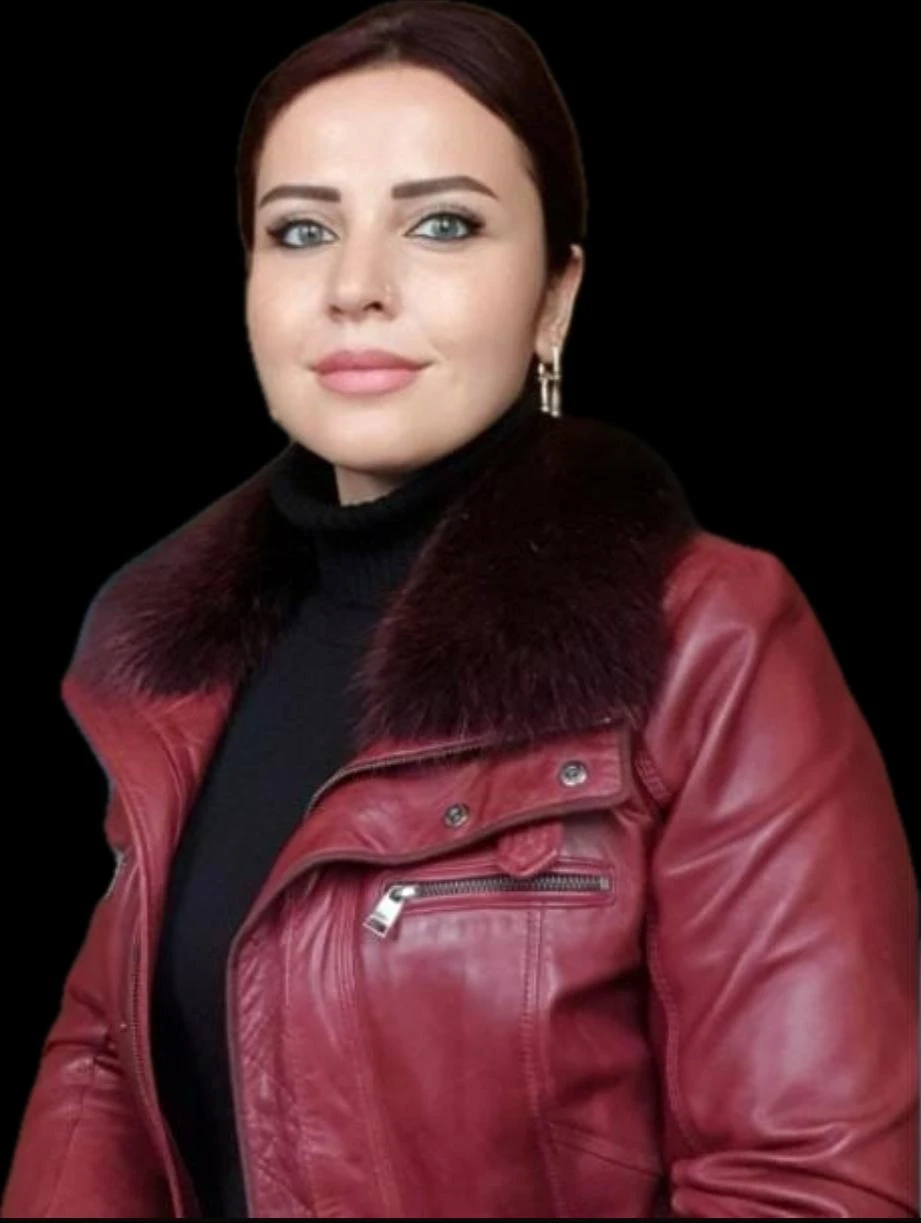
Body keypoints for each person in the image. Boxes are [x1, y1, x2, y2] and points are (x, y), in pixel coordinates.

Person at [4, 1, 917, 1218]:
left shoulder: (710, 639)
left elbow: (805, 1183)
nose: (356, 287)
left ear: (555, 297)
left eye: (442, 223)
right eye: (301, 230)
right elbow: (107, 1068)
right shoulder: (173, 671)